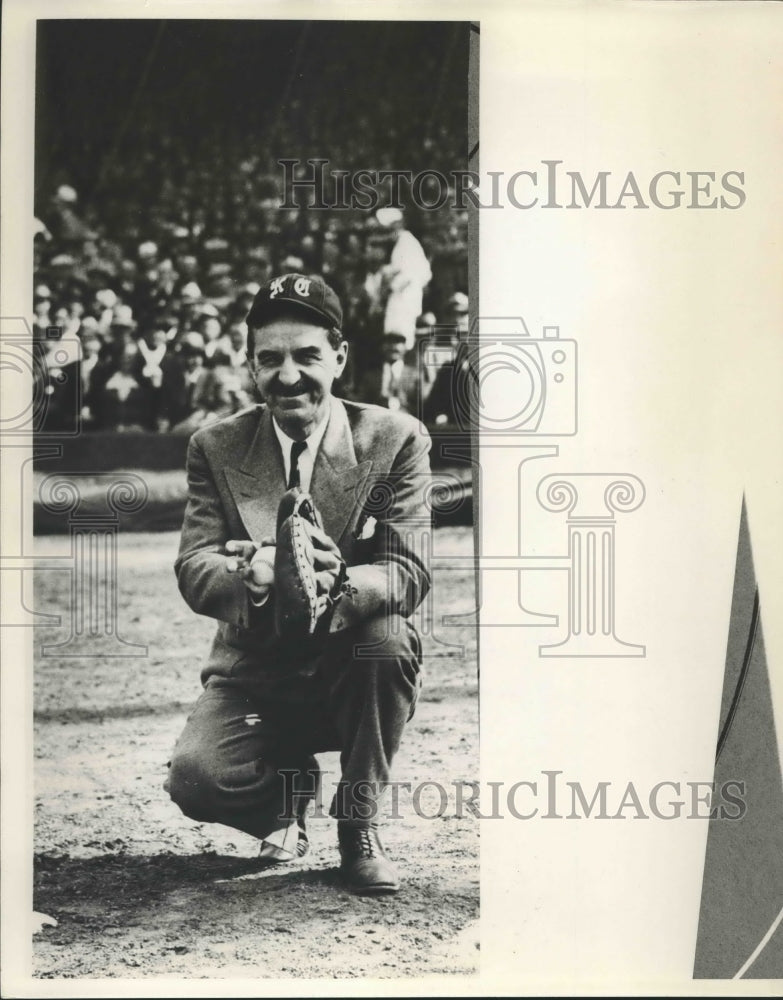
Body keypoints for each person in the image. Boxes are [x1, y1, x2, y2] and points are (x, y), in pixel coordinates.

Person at [165, 273, 432, 895]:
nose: (289, 375)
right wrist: (251, 574)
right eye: (270, 359)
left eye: (307, 356)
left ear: (339, 357)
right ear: (250, 365)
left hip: (351, 660)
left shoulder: (395, 439)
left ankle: (357, 823)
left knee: (386, 640)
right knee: (196, 779)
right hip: (256, 665)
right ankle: (290, 795)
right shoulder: (215, 444)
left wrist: (339, 578)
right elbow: (194, 562)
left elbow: (409, 570)